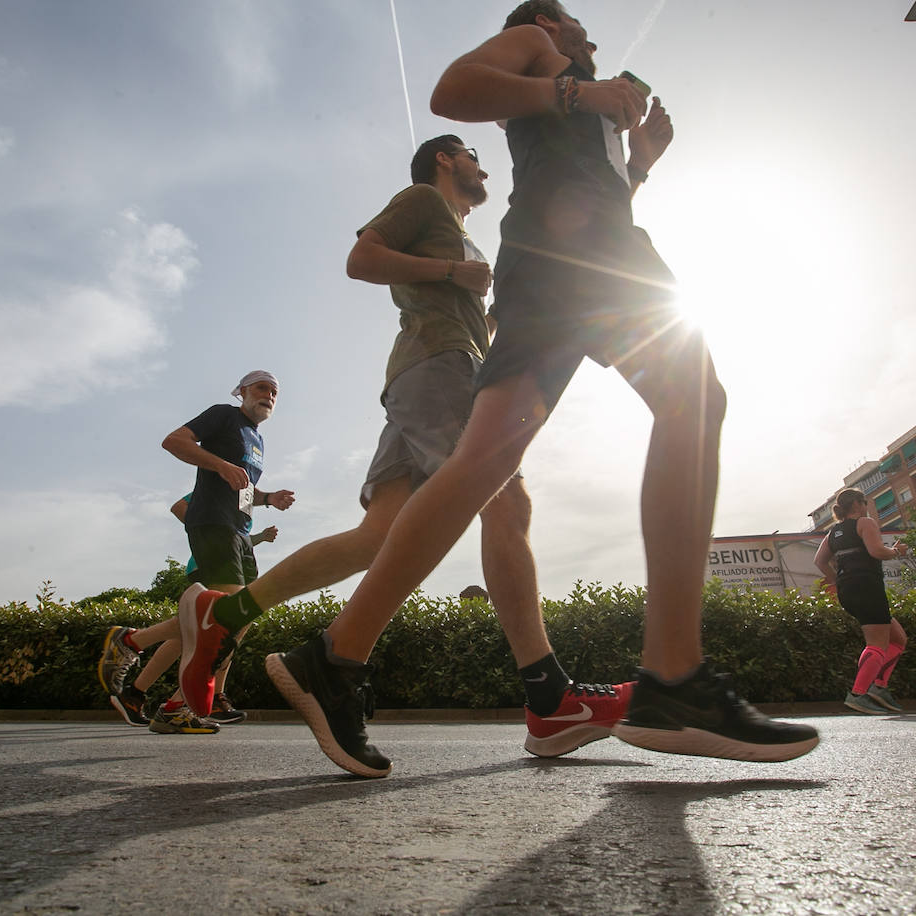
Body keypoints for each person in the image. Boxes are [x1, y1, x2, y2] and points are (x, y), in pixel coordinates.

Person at [203, 1, 821, 775]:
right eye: (571, 20)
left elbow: (575, 186)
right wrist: (578, 94)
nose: (585, 34)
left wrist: (639, 164)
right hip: (580, 259)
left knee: (487, 465)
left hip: (546, 262)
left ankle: (338, 655)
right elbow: (452, 90)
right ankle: (672, 678)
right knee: (693, 399)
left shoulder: (574, 99)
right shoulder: (538, 47)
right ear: (545, 26)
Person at [176, 133, 634, 778]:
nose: (483, 166)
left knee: (378, 537)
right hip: (438, 367)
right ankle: (548, 696)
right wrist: (451, 273)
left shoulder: (468, 238)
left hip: (437, 371)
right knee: (505, 500)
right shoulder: (424, 199)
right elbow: (361, 259)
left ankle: (224, 609)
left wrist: (493, 306)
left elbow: (479, 313)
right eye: (472, 154)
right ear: (447, 159)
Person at [103, 371, 295, 735]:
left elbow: (243, 487)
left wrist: (269, 498)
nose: (268, 395)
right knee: (228, 618)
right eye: (260, 388)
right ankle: (175, 703)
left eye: (274, 391)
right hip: (213, 524)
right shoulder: (224, 415)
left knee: (237, 617)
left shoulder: (257, 440)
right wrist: (220, 464)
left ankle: (132, 645)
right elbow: (173, 442)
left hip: (241, 531)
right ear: (241, 392)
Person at [97, 495, 277, 728]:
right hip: (212, 561)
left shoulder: (245, 493)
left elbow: (239, 536)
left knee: (190, 633)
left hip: (236, 563)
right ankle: (193, 701)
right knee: (222, 624)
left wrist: (262, 531)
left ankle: (135, 692)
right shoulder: (222, 481)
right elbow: (180, 507)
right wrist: (207, 536)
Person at [813, 488, 911, 715]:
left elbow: (819, 561)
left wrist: (837, 580)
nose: (866, 505)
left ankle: (879, 687)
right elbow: (877, 551)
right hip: (868, 586)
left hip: (848, 589)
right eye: (864, 501)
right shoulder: (865, 523)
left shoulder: (833, 532)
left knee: (898, 639)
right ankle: (858, 694)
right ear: (857, 505)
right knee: (877, 643)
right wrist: (896, 551)